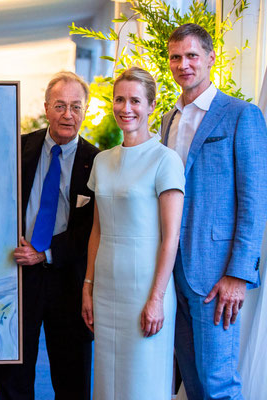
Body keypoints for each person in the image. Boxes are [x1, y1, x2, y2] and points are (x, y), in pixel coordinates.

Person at [161, 23, 267, 399]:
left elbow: (254, 202)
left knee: (219, 383)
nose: (183, 64)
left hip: (217, 276)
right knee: (193, 381)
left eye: (192, 55)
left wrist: (238, 275)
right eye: (176, 57)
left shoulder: (242, 115)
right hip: (174, 272)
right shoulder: (168, 120)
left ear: (209, 58)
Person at [0, 71, 99, 399]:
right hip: (18, 273)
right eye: (60, 106)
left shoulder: (97, 162)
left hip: (69, 279)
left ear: (85, 110)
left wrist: (47, 252)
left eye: (76, 106)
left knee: (72, 375)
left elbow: (91, 229)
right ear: (46, 108)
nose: (68, 114)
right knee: (13, 372)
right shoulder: (19, 148)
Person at [82, 67, 185, 399]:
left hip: (144, 288)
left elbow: (171, 237)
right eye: (120, 99)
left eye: (136, 101)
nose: (126, 108)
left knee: (142, 381)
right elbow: (97, 230)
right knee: (107, 381)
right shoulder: (101, 161)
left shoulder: (165, 160)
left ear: (152, 106)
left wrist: (156, 299)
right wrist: (88, 286)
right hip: (106, 286)